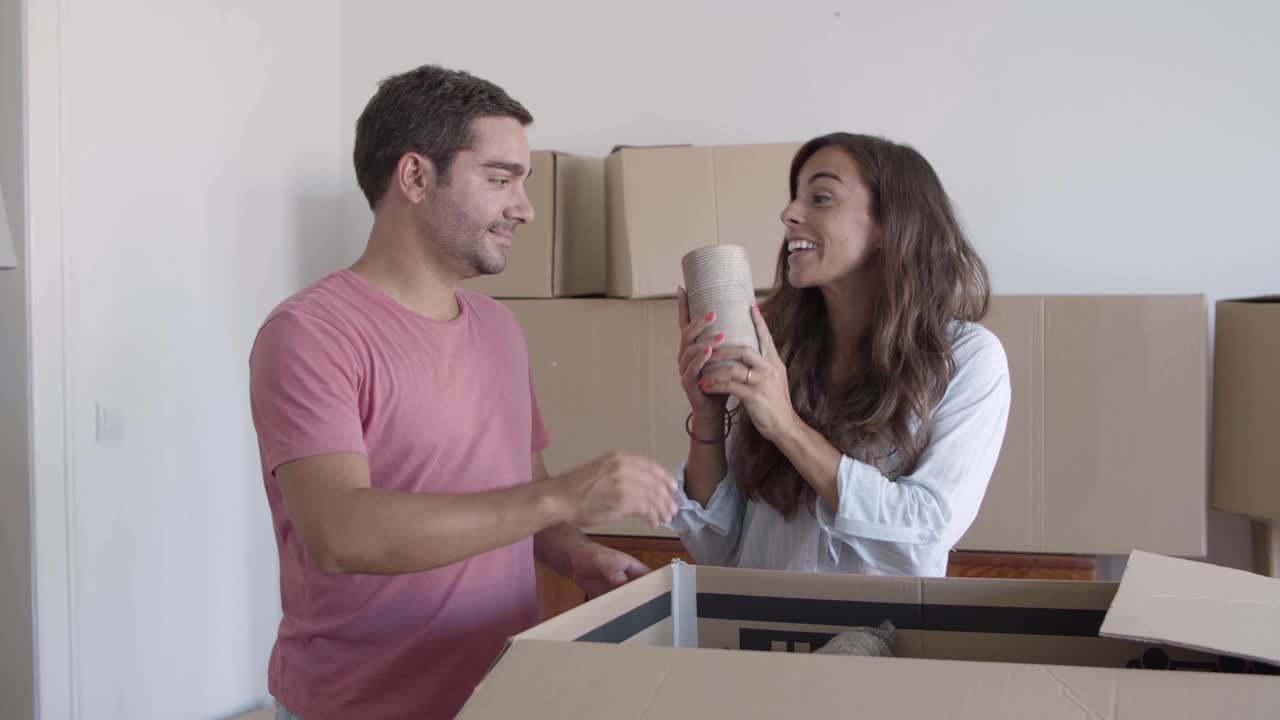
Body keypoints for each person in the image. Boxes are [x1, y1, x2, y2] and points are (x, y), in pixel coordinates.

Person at [249, 64, 677, 720]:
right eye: (501, 179)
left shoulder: (498, 329)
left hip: (496, 697)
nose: (525, 209)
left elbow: (518, 490)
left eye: (522, 184)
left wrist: (574, 550)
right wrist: (563, 495)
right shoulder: (310, 333)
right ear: (416, 177)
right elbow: (340, 532)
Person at [670, 132, 1010, 577]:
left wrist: (787, 426)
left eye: (821, 197)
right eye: (795, 198)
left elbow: (925, 531)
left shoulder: (966, 359)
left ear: (890, 224)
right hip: (758, 635)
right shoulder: (774, 350)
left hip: (881, 639)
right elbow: (718, 547)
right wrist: (710, 419)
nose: (789, 213)